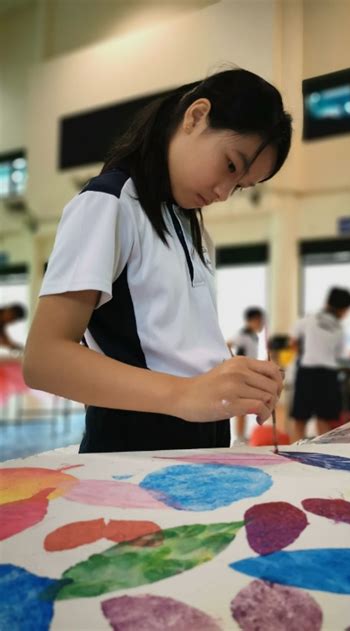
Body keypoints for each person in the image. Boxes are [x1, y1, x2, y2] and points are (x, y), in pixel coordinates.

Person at [23, 68, 292, 453]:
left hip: (204, 434)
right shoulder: (109, 202)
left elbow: (176, 340)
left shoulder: (188, 223)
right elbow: (43, 359)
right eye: (230, 165)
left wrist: (239, 376)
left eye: (240, 187)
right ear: (196, 116)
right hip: (136, 441)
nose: (223, 192)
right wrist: (187, 394)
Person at [290, 287, 350, 441]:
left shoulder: (310, 318)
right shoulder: (339, 328)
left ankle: (294, 452)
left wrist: (303, 353)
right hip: (328, 375)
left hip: (307, 371)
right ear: (343, 309)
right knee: (324, 420)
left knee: (300, 419)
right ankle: (322, 456)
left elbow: (292, 340)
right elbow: (338, 355)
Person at [227, 306, 265, 445]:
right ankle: (239, 437)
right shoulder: (242, 334)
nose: (261, 324)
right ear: (253, 320)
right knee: (240, 408)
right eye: (260, 321)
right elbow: (227, 344)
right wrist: (234, 361)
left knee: (245, 407)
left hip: (250, 373)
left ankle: (241, 436)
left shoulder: (253, 336)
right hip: (242, 374)